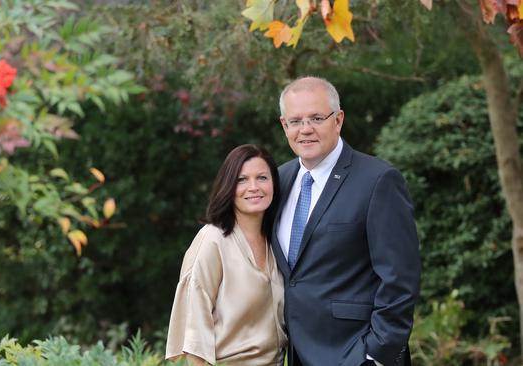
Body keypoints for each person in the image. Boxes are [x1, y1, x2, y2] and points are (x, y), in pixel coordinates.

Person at [271, 76, 421, 366]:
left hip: (355, 354)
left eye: (316, 118)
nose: (305, 130)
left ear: (338, 120)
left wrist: (376, 354)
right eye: (295, 121)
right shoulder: (278, 181)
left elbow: (400, 277)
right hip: (295, 354)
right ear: (283, 126)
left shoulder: (378, 180)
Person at [166, 144, 288, 365]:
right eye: (242, 180)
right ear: (228, 186)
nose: (253, 187)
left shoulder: (277, 240)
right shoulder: (212, 241)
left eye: (262, 177)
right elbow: (195, 334)